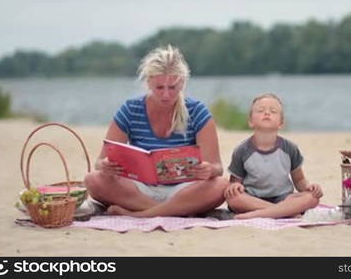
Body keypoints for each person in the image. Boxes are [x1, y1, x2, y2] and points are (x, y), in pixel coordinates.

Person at [84, 45, 228, 217]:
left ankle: (139, 214)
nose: (166, 95)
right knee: (93, 180)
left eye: (172, 87)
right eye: (160, 87)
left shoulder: (197, 111)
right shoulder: (131, 110)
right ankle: (169, 211)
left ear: (182, 83)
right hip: (140, 188)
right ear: (149, 82)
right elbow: (99, 163)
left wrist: (209, 170)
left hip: (183, 189)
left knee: (220, 186)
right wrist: (106, 165)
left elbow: (218, 168)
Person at [224, 93, 323, 219]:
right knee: (234, 198)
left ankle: (258, 214)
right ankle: (284, 212)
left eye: (273, 111)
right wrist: (235, 186)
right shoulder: (242, 150)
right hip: (252, 199)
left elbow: (299, 180)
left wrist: (309, 187)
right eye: (260, 110)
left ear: (281, 123)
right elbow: (234, 184)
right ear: (250, 121)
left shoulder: (290, 148)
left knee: (312, 198)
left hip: (283, 198)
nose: (266, 113)